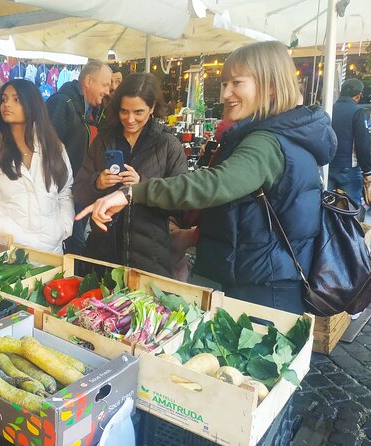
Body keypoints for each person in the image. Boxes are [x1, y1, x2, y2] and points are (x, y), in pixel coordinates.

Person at [76, 41, 337, 314]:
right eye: (225, 83)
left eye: (236, 83)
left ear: (270, 85)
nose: (225, 93)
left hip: (261, 285)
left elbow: (217, 184)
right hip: (260, 274)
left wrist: (132, 192)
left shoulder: (266, 142)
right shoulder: (281, 133)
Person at [74, 72, 186, 276]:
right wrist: (97, 182)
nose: (130, 119)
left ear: (152, 108)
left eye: (139, 112)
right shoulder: (104, 140)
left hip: (149, 255)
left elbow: (180, 204)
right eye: (124, 111)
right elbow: (79, 192)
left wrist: (142, 185)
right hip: (101, 252)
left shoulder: (168, 145)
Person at [0, 79, 74, 254]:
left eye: (16, 99)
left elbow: (65, 191)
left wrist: (63, 226)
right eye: (4, 99)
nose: (7, 105)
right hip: (8, 253)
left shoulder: (54, 146)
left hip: (52, 251)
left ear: (32, 104)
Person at [46, 59, 112, 254]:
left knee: (77, 237)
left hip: (80, 188)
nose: (108, 91)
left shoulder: (91, 110)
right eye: (105, 84)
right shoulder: (62, 103)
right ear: (89, 81)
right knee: (72, 241)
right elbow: (45, 148)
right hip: (62, 191)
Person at [329, 78, 371, 211]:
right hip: (348, 168)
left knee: (329, 208)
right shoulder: (357, 112)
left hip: (328, 166)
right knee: (350, 210)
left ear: (341, 93)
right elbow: (363, 144)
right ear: (358, 95)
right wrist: (367, 171)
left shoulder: (328, 109)